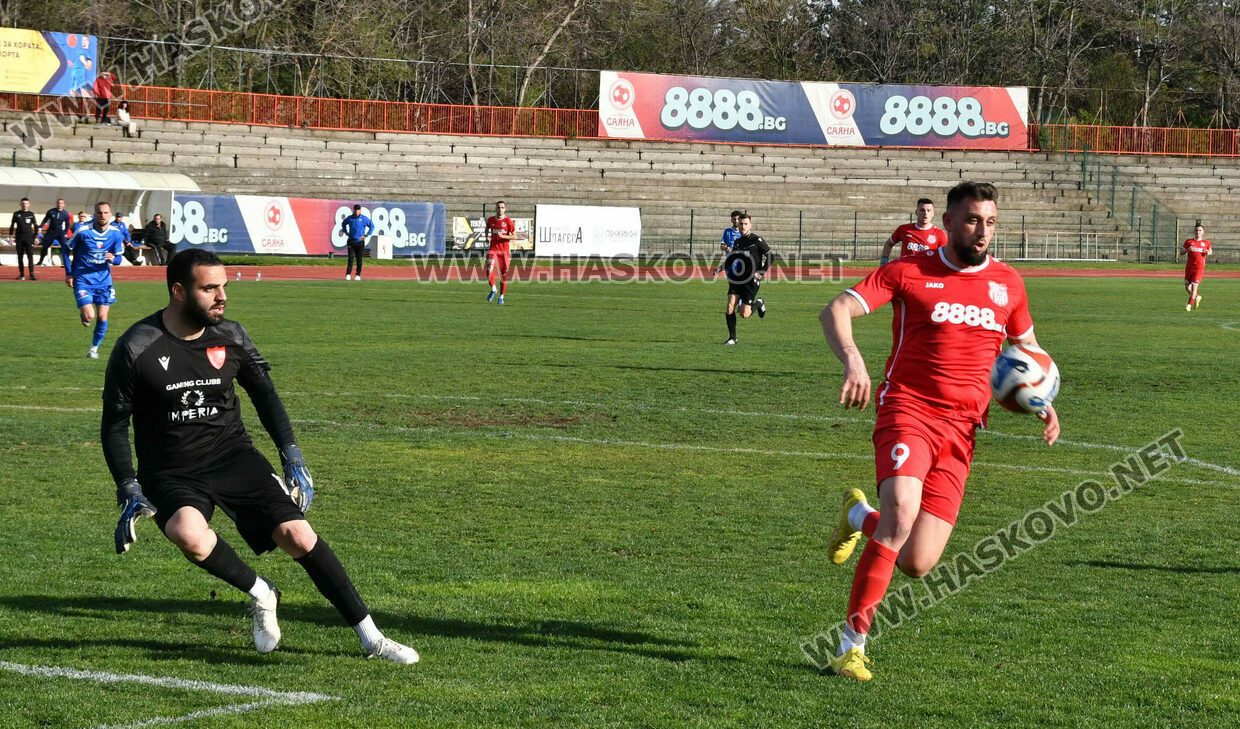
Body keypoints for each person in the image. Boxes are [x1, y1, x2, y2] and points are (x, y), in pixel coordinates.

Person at [101, 248, 419, 664]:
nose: (222, 297)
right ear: (178, 291)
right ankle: (261, 591)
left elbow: (266, 397)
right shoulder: (136, 346)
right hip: (170, 470)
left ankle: (373, 639)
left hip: (232, 455)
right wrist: (128, 486)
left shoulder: (231, 336)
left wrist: (292, 454)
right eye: (209, 288)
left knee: (298, 535)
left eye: (223, 287)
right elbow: (114, 424)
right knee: (188, 534)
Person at [819, 182, 1060, 682]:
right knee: (901, 516)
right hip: (908, 410)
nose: (982, 231)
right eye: (972, 220)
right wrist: (854, 361)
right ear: (948, 222)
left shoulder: (1008, 283)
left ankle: (858, 515)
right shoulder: (909, 271)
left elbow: (1028, 350)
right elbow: (836, 309)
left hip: (963, 430)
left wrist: (1041, 399)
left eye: (990, 222)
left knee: (917, 562)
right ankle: (850, 648)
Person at [64, 201, 127, 359]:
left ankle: (93, 349)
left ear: (110, 214)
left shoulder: (115, 234)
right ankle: (84, 314)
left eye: (106, 213)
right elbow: (65, 250)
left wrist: (113, 259)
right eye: (99, 213)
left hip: (104, 281)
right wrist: (69, 273)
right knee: (90, 316)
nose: (103, 216)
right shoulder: (83, 231)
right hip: (83, 279)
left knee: (102, 317)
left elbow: (119, 259)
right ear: (94, 214)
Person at [722, 213, 771, 345]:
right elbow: (732, 258)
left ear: (750, 225)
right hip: (737, 279)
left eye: (745, 224)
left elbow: (771, 256)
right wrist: (720, 268)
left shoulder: (757, 240)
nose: (743, 226)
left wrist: (761, 272)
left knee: (745, 314)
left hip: (751, 281)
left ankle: (759, 303)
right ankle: (732, 338)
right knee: (730, 306)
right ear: (737, 225)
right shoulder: (738, 242)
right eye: (741, 224)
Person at [879, 198, 946, 265]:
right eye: (922, 210)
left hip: (925, 270)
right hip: (905, 270)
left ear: (933, 213)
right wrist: (883, 262)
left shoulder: (940, 234)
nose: (925, 213)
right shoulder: (904, 229)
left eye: (928, 210)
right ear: (916, 212)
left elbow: (946, 256)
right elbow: (889, 243)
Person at [484, 201, 516, 304]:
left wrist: (504, 236)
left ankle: (501, 296)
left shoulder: (508, 221)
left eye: (502, 207)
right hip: (493, 249)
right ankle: (493, 288)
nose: (500, 209)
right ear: (495, 208)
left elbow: (514, 236)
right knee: (489, 269)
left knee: (504, 274)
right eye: (498, 207)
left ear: (505, 209)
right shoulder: (491, 219)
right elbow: (487, 228)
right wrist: (487, 236)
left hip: (504, 251)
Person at [1182, 221, 1212, 311]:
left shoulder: (1206, 242)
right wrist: (1187, 250)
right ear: (1194, 231)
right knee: (1188, 287)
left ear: (1203, 232)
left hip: (1199, 268)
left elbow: (1210, 251)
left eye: (1200, 230)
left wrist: (1208, 252)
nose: (1198, 232)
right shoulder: (1189, 242)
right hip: (1189, 267)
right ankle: (1197, 297)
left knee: (1195, 286)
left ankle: (1189, 305)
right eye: (1196, 230)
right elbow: (1181, 252)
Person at [340, 204, 374, 280]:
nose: (356, 211)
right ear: (353, 210)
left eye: (358, 210)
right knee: (351, 258)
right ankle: (348, 274)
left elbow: (372, 226)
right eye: (355, 210)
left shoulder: (364, 218)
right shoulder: (350, 218)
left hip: (360, 242)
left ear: (360, 210)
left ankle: (358, 275)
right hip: (351, 241)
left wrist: (366, 235)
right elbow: (343, 224)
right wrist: (345, 231)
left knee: (359, 259)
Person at [37, 198, 73, 268]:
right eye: (58, 203)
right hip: (51, 232)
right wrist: (40, 227)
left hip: (60, 233)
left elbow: (67, 224)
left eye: (61, 203)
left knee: (65, 247)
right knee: (45, 247)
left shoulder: (65, 214)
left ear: (64, 205)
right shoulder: (51, 211)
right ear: (56, 204)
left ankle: (66, 262)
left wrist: (65, 232)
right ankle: (40, 261)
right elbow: (45, 220)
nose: (60, 204)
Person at [8, 197, 38, 280]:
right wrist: (11, 236)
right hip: (19, 238)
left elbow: (36, 226)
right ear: (20, 204)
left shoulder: (31, 214)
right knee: (20, 256)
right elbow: (12, 225)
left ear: (29, 205)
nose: (25, 205)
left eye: (26, 204)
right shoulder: (16, 214)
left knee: (30, 256)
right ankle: (22, 274)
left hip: (29, 238)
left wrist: (36, 236)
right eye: (23, 204)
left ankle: (32, 274)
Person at [714, 210, 744, 276]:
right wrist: (725, 248)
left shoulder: (743, 232)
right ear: (731, 220)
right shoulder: (727, 231)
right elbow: (722, 246)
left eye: (738, 219)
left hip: (741, 262)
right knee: (731, 281)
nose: (736, 221)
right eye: (734, 219)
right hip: (730, 262)